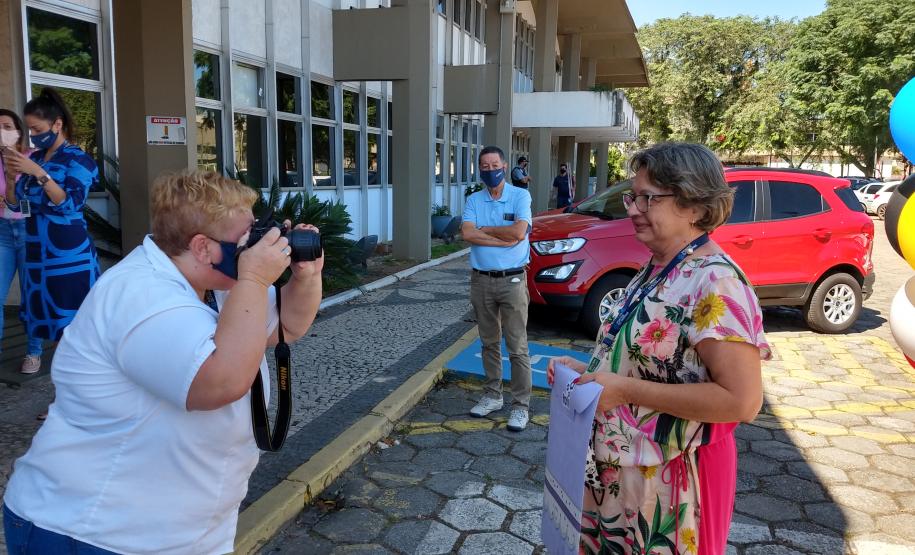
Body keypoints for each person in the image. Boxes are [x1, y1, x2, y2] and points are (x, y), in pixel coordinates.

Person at [3, 170, 323, 554]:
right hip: (93, 532)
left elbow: (284, 325)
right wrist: (255, 278)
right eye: (244, 239)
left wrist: (306, 277)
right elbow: (220, 383)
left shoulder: (214, 285)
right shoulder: (140, 296)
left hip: (177, 533)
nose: (253, 246)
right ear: (203, 248)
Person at [547, 142, 770, 555]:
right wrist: (587, 372)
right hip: (627, 477)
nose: (632, 208)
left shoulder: (716, 282)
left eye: (648, 198)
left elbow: (742, 401)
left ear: (695, 205)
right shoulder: (659, 265)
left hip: (672, 484)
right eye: (634, 196)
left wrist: (626, 391)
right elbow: (646, 363)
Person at [1, 87, 100, 363]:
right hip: (37, 257)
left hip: (67, 256)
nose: (33, 136)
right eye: (29, 130)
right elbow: (18, 207)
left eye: (37, 129)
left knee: (73, 331)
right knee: (51, 330)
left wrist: (40, 175)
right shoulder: (37, 158)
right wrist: (11, 179)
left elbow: (70, 204)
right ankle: (63, 398)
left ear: (57, 124)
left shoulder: (79, 159)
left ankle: (75, 396)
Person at [461, 146, 534, 432]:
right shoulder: (473, 199)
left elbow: (518, 233)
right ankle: (493, 395)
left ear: (504, 165)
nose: (490, 170)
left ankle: (520, 406)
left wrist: (485, 230)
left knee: (517, 346)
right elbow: (467, 233)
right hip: (481, 280)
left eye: (495, 164)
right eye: (484, 166)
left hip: (513, 280)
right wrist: (499, 236)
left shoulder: (520, 195)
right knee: (489, 342)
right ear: (479, 169)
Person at [0, 109, 43, 373]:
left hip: (28, 231)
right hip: (2, 232)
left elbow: (39, 194)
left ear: (18, 129)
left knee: (31, 295)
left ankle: (34, 352)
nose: (2, 132)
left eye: (6, 125)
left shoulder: (32, 157)